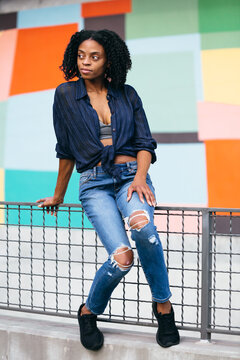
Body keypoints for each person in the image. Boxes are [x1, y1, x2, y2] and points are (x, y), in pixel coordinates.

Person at [37, 29, 179, 351]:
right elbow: (66, 149)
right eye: (81, 56)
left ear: (108, 61)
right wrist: (59, 195)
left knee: (144, 229)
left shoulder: (127, 94)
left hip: (131, 176)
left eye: (94, 57)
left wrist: (141, 178)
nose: (85, 62)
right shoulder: (65, 95)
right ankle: (89, 312)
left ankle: (164, 307)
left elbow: (145, 143)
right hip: (94, 183)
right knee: (123, 258)